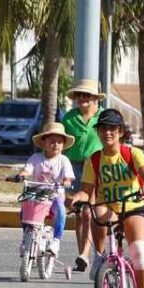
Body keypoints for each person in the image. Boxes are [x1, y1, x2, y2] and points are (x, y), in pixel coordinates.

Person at [67, 108, 144, 288]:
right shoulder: (94, 159)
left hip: (132, 206)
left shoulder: (132, 154)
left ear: (120, 131)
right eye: (103, 128)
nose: (107, 132)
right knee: (95, 209)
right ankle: (99, 258)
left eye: (112, 128)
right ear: (98, 132)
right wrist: (77, 198)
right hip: (108, 206)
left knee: (139, 251)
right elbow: (86, 190)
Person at [13, 122, 76, 258]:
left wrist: (66, 182)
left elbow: (68, 178)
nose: (56, 144)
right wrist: (20, 176)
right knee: (25, 208)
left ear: (63, 145)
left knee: (61, 210)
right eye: (52, 141)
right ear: (43, 142)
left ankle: (56, 241)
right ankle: (25, 237)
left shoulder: (64, 160)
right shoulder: (36, 158)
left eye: (59, 142)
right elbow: (27, 170)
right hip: (37, 194)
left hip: (55, 194)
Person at [61, 79, 104, 271]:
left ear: (96, 98)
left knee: (89, 212)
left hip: (96, 167)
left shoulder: (103, 117)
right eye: (80, 95)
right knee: (79, 212)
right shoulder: (68, 118)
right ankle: (83, 256)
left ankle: (87, 254)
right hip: (74, 167)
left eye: (87, 95)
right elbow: (60, 144)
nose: (83, 98)